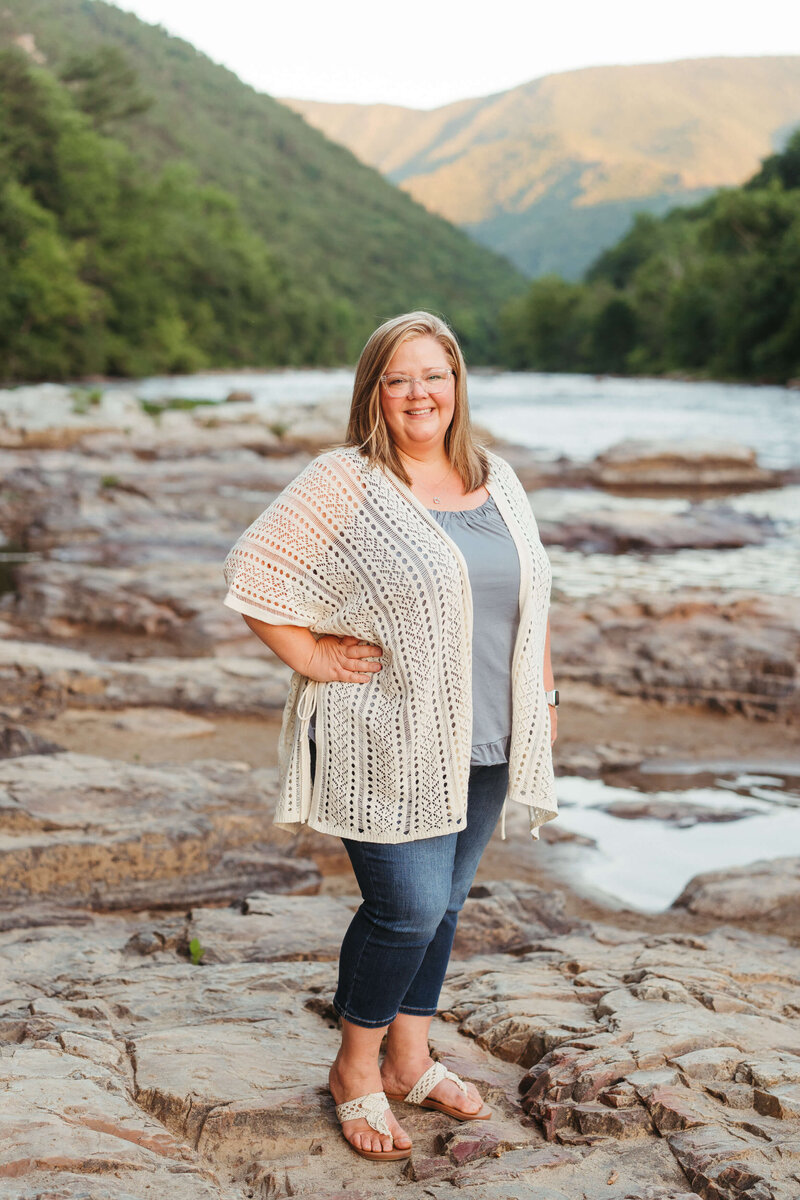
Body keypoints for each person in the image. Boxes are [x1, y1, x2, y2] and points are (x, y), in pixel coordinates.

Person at [223, 311, 558, 1162]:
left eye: (435, 376)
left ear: (457, 385)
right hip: (386, 734)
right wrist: (312, 654)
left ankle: (412, 1058)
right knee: (405, 908)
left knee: (444, 905)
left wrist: (547, 697)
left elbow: (534, 599)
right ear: (376, 390)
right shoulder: (348, 479)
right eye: (400, 378)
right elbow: (252, 568)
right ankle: (355, 1070)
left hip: (489, 733)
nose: (420, 394)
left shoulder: (498, 479)